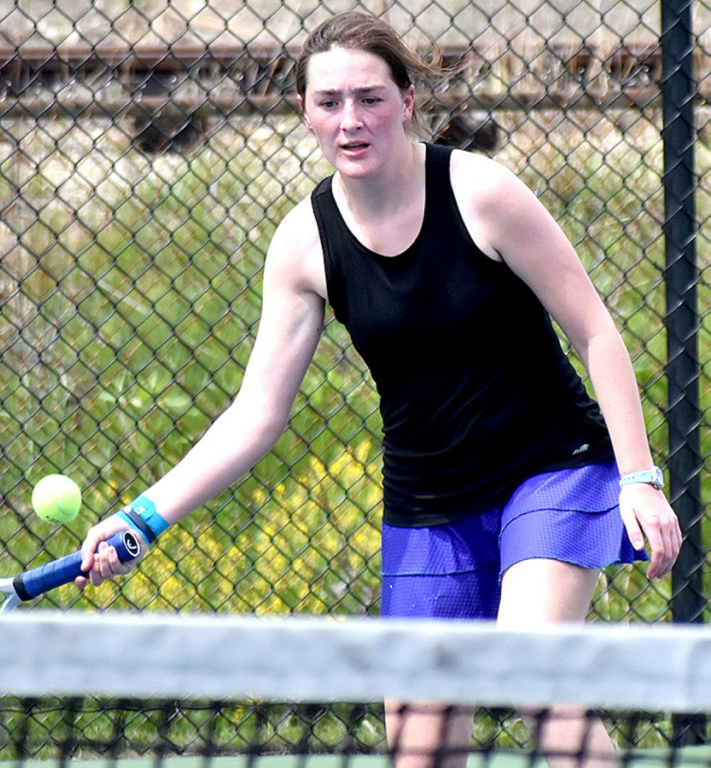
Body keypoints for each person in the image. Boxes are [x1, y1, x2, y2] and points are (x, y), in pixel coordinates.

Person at [76, 11, 682, 768]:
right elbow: (257, 414)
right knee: (419, 750)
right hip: (429, 503)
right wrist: (141, 519)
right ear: (304, 111)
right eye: (329, 101)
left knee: (536, 669)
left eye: (369, 98)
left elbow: (595, 330)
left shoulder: (480, 193)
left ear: (408, 102)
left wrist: (640, 477)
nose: (350, 120)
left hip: (549, 465)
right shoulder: (302, 243)